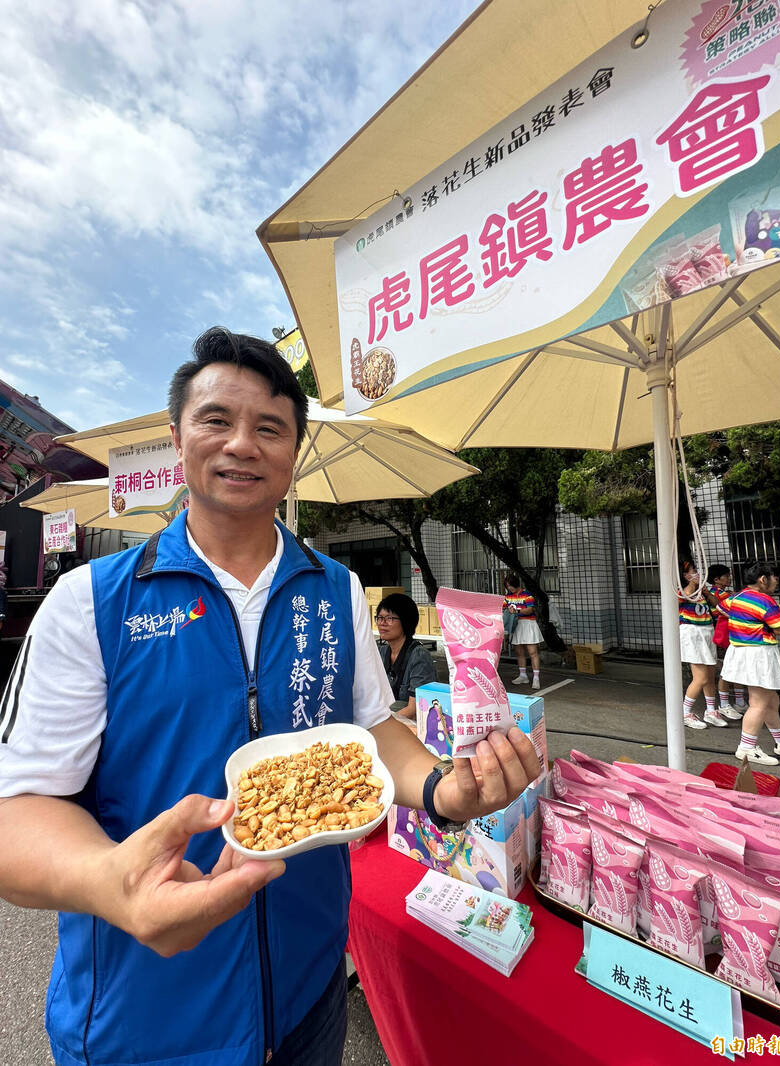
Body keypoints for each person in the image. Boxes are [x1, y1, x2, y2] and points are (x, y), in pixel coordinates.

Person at [0, 327, 541, 1066]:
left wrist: (446, 790)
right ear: (176, 438)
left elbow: (369, 730)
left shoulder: (336, 588)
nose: (242, 444)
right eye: (216, 420)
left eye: (270, 428)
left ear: (294, 454)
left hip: (308, 995)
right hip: (144, 1018)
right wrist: (107, 882)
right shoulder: (87, 601)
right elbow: (18, 813)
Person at [721, 560, 780, 766]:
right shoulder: (765, 601)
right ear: (763, 579)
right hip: (759, 655)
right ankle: (746, 748)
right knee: (758, 703)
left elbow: (721, 608)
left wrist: (746, 623)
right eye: (774, 578)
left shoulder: (735, 597)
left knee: (771, 700)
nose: (777, 582)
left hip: (741, 652)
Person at [678, 567, 728, 729]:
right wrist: (693, 583)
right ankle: (685, 713)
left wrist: (706, 592)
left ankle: (711, 710)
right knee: (700, 677)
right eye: (692, 572)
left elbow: (718, 605)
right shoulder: (681, 589)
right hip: (692, 633)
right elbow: (681, 598)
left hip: (707, 631)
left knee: (710, 674)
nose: (697, 574)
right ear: (684, 576)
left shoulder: (702, 591)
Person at [376, 592, 436, 719]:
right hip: (388, 719)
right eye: (380, 617)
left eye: (389, 618)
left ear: (406, 621)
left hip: (410, 725)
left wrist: (383, 725)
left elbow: (414, 709)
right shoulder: (381, 652)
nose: (382, 623)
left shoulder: (419, 656)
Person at [706, 563, 746, 721]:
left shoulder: (721, 592)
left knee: (736, 668)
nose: (729, 578)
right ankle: (725, 705)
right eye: (726, 576)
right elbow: (728, 606)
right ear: (716, 579)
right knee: (728, 669)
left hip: (729, 633)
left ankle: (739, 702)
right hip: (724, 634)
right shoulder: (718, 593)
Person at [504, 573, 542, 690]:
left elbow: (530, 609)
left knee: (532, 652)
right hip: (516, 626)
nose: (509, 588)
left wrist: (517, 611)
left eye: (510, 586)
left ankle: (536, 678)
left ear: (516, 584)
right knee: (519, 652)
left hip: (528, 624)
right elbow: (503, 606)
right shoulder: (508, 596)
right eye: (507, 586)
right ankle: (523, 675)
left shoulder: (527, 594)